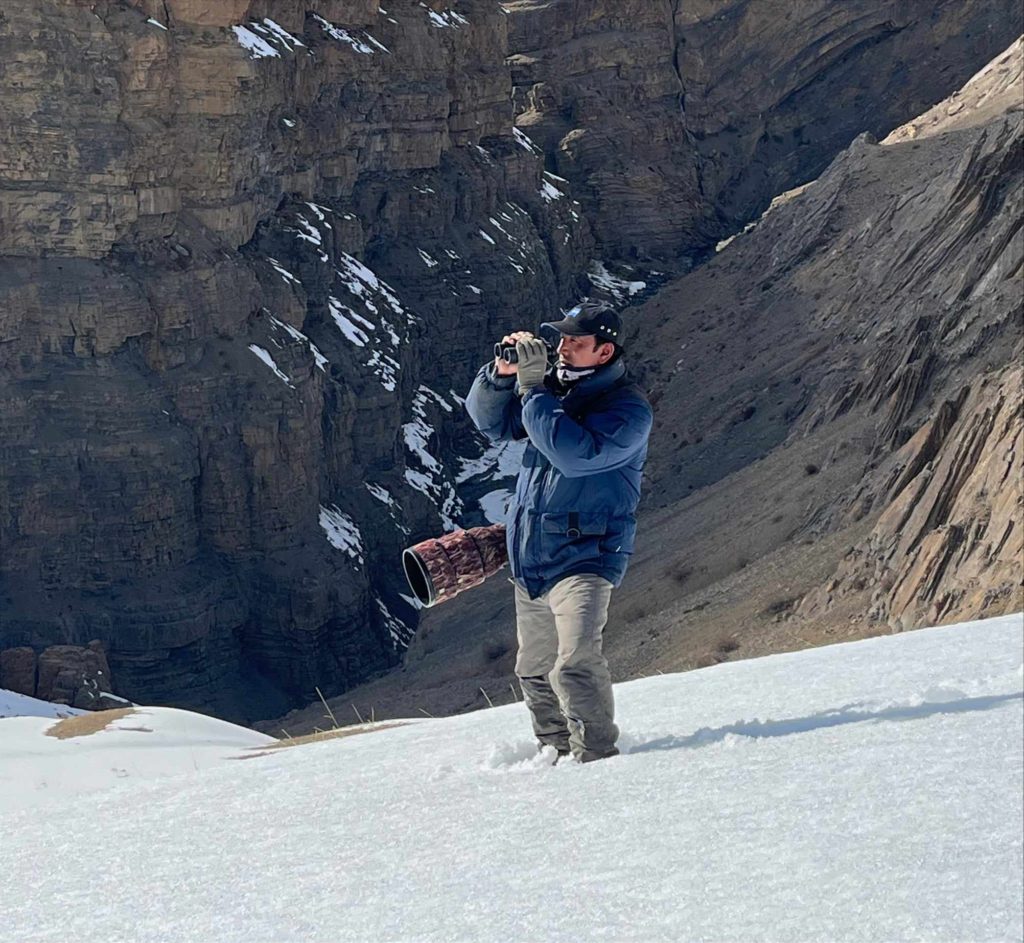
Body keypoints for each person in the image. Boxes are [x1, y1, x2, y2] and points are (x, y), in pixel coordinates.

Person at [464, 301, 653, 763]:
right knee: (534, 668)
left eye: (577, 342)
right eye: (561, 339)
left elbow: (572, 454)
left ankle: (595, 758)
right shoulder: (553, 392)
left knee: (574, 664)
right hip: (533, 556)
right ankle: (554, 752)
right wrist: (501, 375)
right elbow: (492, 423)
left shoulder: (628, 411)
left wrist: (532, 389)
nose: (563, 349)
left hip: (586, 556)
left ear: (605, 352)